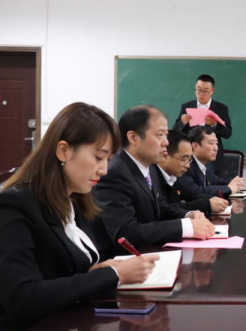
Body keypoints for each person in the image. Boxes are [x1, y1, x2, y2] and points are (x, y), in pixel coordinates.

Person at [0, 103, 158, 331]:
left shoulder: (74, 200)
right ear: (63, 151)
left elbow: (62, 272)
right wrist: (114, 274)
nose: (104, 170)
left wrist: (96, 271)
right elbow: (22, 297)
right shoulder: (14, 205)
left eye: (108, 159)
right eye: (98, 157)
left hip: (67, 327)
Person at [92, 106, 215, 259]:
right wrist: (185, 227)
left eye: (166, 135)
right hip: (121, 263)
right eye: (160, 135)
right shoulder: (114, 172)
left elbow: (161, 209)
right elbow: (126, 233)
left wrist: (189, 216)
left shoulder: (150, 167)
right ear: (133, 137)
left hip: (148, 255)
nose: (166, 142)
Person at [155, 130, 229, 215]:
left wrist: (211, 200)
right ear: (165, 156)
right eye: (184, 159)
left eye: (189, 160)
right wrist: (207, 204)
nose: (188, 165)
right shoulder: (152, 178)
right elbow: (165, 210)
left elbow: (190, 195)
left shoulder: (174, 176)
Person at [173, 74, 232, 178]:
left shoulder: (221, 108)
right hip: (190, 156)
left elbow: (228, 133)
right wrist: (183, 122)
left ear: (212, 91)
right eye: (198, 90)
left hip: (213, 157)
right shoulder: (187, 106)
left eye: (205, 91)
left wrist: (214, 124)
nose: (201, 93)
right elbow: (175, 130)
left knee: (214, 183)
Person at [177, 126, 244, 200]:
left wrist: (235, 184)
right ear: (195, 146)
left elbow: (215, 181)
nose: (216, 148)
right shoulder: (185, 165)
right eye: (211, 143)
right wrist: (229, 188)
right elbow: (195, 192)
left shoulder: (208, 164)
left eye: (216, 143)